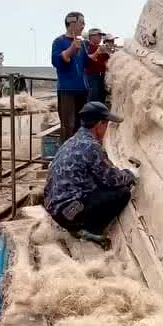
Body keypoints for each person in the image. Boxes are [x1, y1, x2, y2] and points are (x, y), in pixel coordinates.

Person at [44, 101, 138, 242]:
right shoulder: (91, 147)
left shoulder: (71, 141)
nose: (106, 129)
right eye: (106, 124)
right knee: (122, 193)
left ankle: (77, 224)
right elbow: (111, 179)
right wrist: (130, 174)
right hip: (70, 212)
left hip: (55, 210)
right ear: (99, 124)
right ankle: (90, 230)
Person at [52, 12, 88, 143]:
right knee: (68, 127)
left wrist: (98, 54)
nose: (84, 26)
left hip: (82, 90)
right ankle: (65, 158)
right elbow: (56, 61)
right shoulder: (59, 42)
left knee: (82, 126)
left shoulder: (82, 44)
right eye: (81, 22)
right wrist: (70, 50)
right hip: (67, 90)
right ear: (72, 23)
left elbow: (86, 64)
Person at [84, 27, 110, 103]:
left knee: (101, 99)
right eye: (99, 35)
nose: (101, 37)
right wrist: (98, 51)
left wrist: (109, 52)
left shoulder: (101, 47)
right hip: (91, 77)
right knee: (93, 100)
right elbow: (87, 60)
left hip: (102, 76)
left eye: (101, 35)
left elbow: (108, 61)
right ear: (91, 36)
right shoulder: (86, 47)